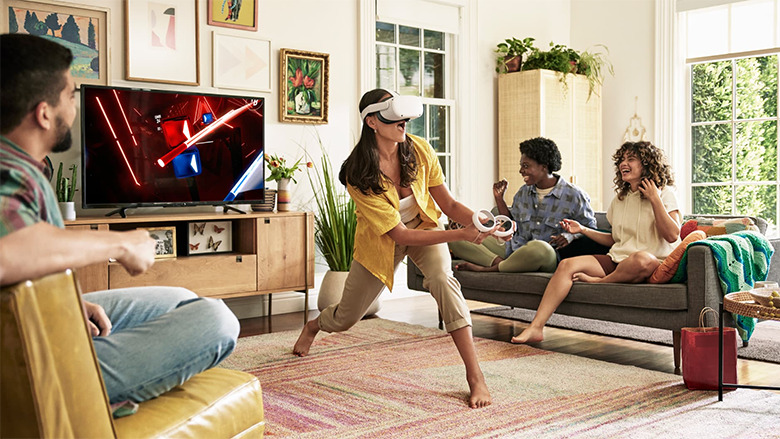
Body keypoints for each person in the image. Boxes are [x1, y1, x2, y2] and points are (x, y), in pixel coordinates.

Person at [0, 34, 239, 405]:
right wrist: (121, 241)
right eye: (70, 95)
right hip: (38, 365)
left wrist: (69, 299)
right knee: (218, 321)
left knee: (181, 299)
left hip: (41, 320)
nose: (75, 108)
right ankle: (98, 390)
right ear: (44, 113)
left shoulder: (22, 167)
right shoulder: (7, 171)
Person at [293, 88, 499, 408]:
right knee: (346, 318)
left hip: (424, 226)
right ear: (373, 122)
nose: (404, 123)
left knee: (444, 281)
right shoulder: (357, 173)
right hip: (381, 243)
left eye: (404, 117)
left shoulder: (418, 150)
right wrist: (460, 236)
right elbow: (399, 235)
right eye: (395, 117)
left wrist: (482, 223)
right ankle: (314, 325)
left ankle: (475, 376)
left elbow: (448, 203)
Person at [511, 140, 681, 344]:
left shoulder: (665, 194)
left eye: (631, 159)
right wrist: (582, 229)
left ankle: (599, 282)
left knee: (641, 259)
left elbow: (672, 235)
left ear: (647, 164)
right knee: (567, 265)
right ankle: (536, 327)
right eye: (621, 160)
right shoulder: (620, 199)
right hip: (619, 262)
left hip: (653, 264)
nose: (623, 164)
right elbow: (615, 240)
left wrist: (654, 199)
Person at [450, 137, 601, 273]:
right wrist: (499, 199)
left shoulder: (574, 195)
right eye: (521, 166)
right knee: (456, 238)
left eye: (526, 166)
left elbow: (590, 229)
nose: (521, 171)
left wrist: (569, 236)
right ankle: (502, 265)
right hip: (514, 249)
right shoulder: (523, 193)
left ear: (544, 166)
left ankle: (490, 269)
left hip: (546, 255)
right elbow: (510, 225)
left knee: (539, 247)